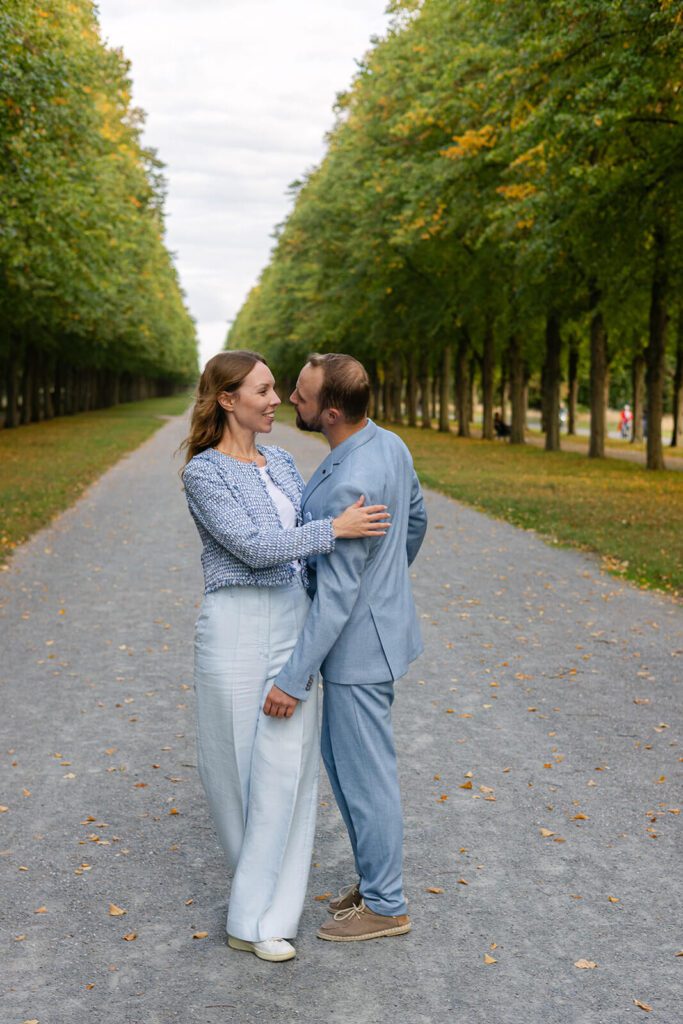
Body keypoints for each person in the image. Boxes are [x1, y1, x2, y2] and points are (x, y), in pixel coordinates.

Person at [180, 350, 391, 962]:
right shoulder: (204, 473)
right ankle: (249, 913)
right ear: (227, 399)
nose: (277, 401)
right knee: (235, 766)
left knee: (290, 771)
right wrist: (335, 531)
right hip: (234, 625)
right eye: (264, 390)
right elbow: (250, 546)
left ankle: (272, 917)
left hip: (292, 622)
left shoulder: (282, 460)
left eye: (277, 390)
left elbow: (300, 548)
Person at [265, 353, 428, 942]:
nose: (289, 400)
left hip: (359, 649)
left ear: (331, 412)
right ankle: (373, 882)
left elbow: (335, 597)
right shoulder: (390, 443)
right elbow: (415, 520)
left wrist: (291, 678)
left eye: (301, 396)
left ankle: (386, 905)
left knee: (365, 777)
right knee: (348, 767)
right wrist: (387, 583)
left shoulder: (353, 480)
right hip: (377, 633)